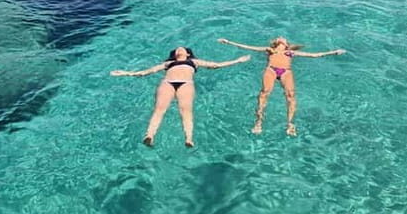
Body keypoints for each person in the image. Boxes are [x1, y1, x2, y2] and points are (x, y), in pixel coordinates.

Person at [111, 46, 250, 147]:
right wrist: (126, 73)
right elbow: (146, 72)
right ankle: (149, 135)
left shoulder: (194, 62)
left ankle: (189, 138)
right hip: (167, 83)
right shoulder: (168, 63)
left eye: (181, 49)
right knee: (159, 110)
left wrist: (238, 60)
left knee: (186, 112)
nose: (179, 50)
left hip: (186, 83)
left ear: (188, 53)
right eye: (177, 49)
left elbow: (216, 65)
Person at [217, 36, 345, 136]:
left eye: (283, 38)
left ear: (286, 44)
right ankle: (258, 122)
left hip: (286, 72)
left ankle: (290, 124)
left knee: (291, 96)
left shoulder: (290, 53)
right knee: (264, 93)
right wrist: (228, 42)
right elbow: (249, 47)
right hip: (271, 70)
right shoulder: (269, 50)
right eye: (280, 37)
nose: (281, 37)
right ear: (277, 43)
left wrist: (334, 52)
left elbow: (314, 55)